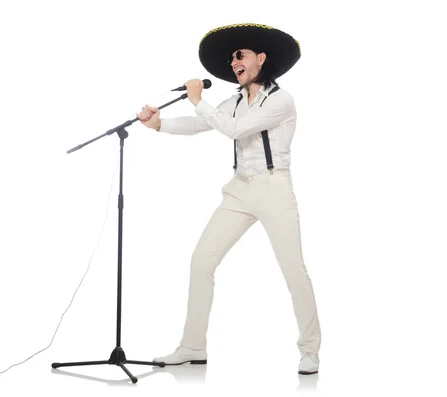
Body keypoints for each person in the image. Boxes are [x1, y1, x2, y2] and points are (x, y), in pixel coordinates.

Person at [136, 23, 321, 375]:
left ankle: (310, 350)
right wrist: (160, 125)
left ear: (261, 59)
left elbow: (233, 128)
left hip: (273, 187)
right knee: (201, 259)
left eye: (241, 55)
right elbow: (206, 124)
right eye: (231, 57)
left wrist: (197, 100)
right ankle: (192, 346)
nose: (233, 61)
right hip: (238, 188)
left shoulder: (281, 99)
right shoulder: (234, 101)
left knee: (293, 270)